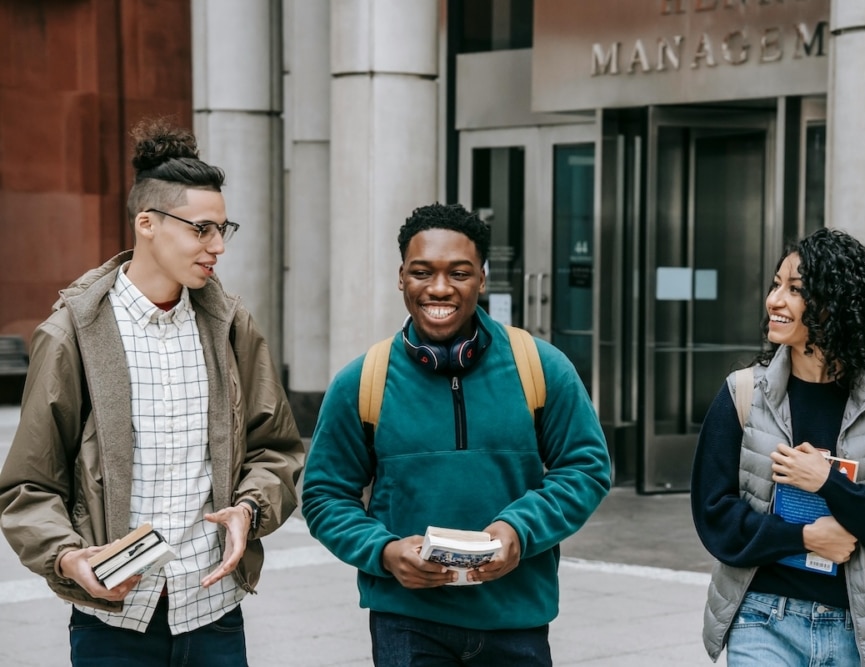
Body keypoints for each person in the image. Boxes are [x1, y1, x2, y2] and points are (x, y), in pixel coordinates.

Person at [0, 119, 304, 666]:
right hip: (112, 621)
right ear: (147, 224)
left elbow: (276, 449)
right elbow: (28, 486)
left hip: (212, 610)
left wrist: (248, 511)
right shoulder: (72, 335)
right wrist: (70, 560)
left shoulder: (232, 326)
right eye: (201, 230)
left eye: (223, 229)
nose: (217, 247)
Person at [301, 202, 611, 666]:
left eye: (459, 273)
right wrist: (383, 551)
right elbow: (325, 495)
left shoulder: (541, 367)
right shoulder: (361, 381)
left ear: (483, 278)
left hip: (515, 618)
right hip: (406, 622)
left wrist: (517, 530)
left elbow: (586, 468)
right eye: (422, 272)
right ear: (401, 277)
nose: (439, 288)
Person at [691, 228, 865, 667]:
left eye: (795, 290)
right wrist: (802, 538)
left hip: (857, 631)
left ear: (834, 305)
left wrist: (829, 483)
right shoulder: (743, 393)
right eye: (775, 285)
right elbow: (714, 515)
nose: (774, 300)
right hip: (762, 618)